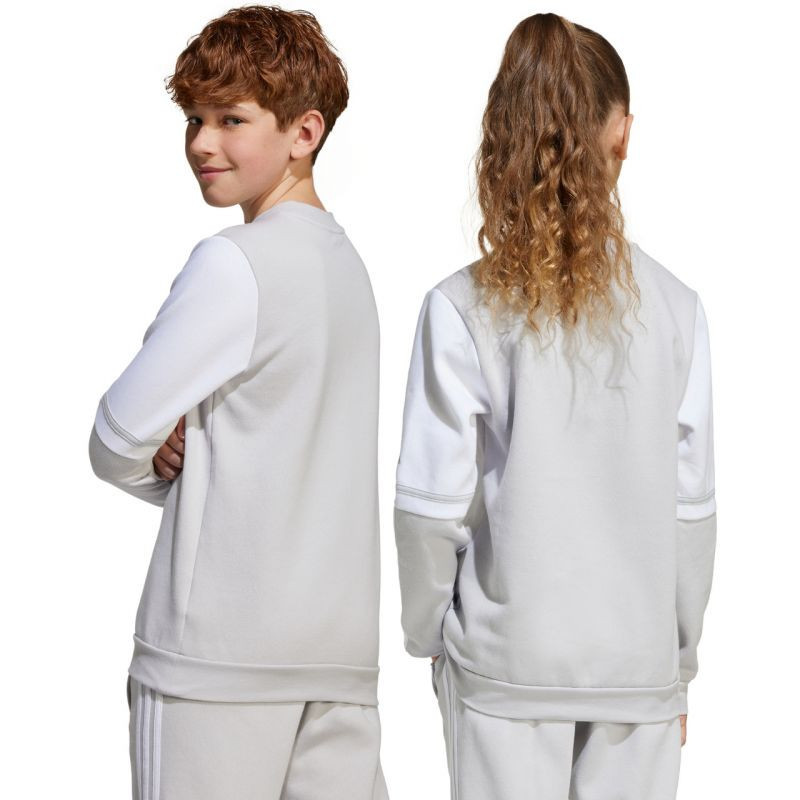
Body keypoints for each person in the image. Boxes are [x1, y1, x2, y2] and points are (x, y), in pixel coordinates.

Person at [393, 13, 716, 800]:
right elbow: (691, 511)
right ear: (623, 132)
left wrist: (428, 633)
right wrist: (676, 663)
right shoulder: (677, 309)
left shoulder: (461, 308)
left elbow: (430, 507)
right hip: (636, 673)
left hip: (504, 671)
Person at [88, 6, 388, 799]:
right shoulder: (350, 272)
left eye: (231, 119)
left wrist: (168, 465)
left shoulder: (234, 264)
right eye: (194, 118)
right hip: (336, 658)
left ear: (304, 132)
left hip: (214, 666)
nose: (201, 142)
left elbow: (112, 438)